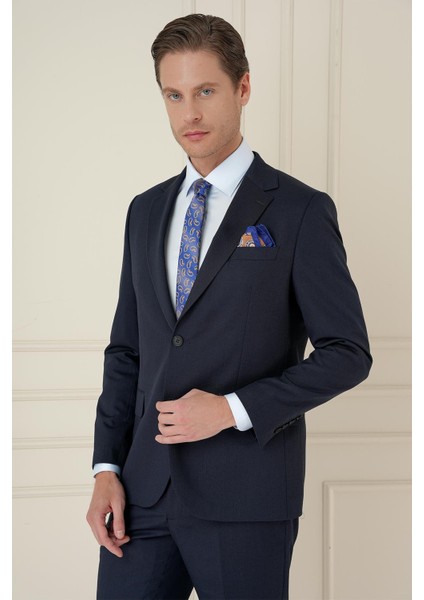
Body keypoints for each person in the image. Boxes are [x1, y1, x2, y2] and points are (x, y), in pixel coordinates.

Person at [86, 13, 372, 600]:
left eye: (206, 91)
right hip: (143, 493)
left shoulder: (299, 210)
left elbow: (348, 353)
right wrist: (106, 468)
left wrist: (230, 409)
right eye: (174, 95)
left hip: (247, 498)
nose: (189, 113)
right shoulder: (145, 211)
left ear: (243, 88)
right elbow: (127, 350)